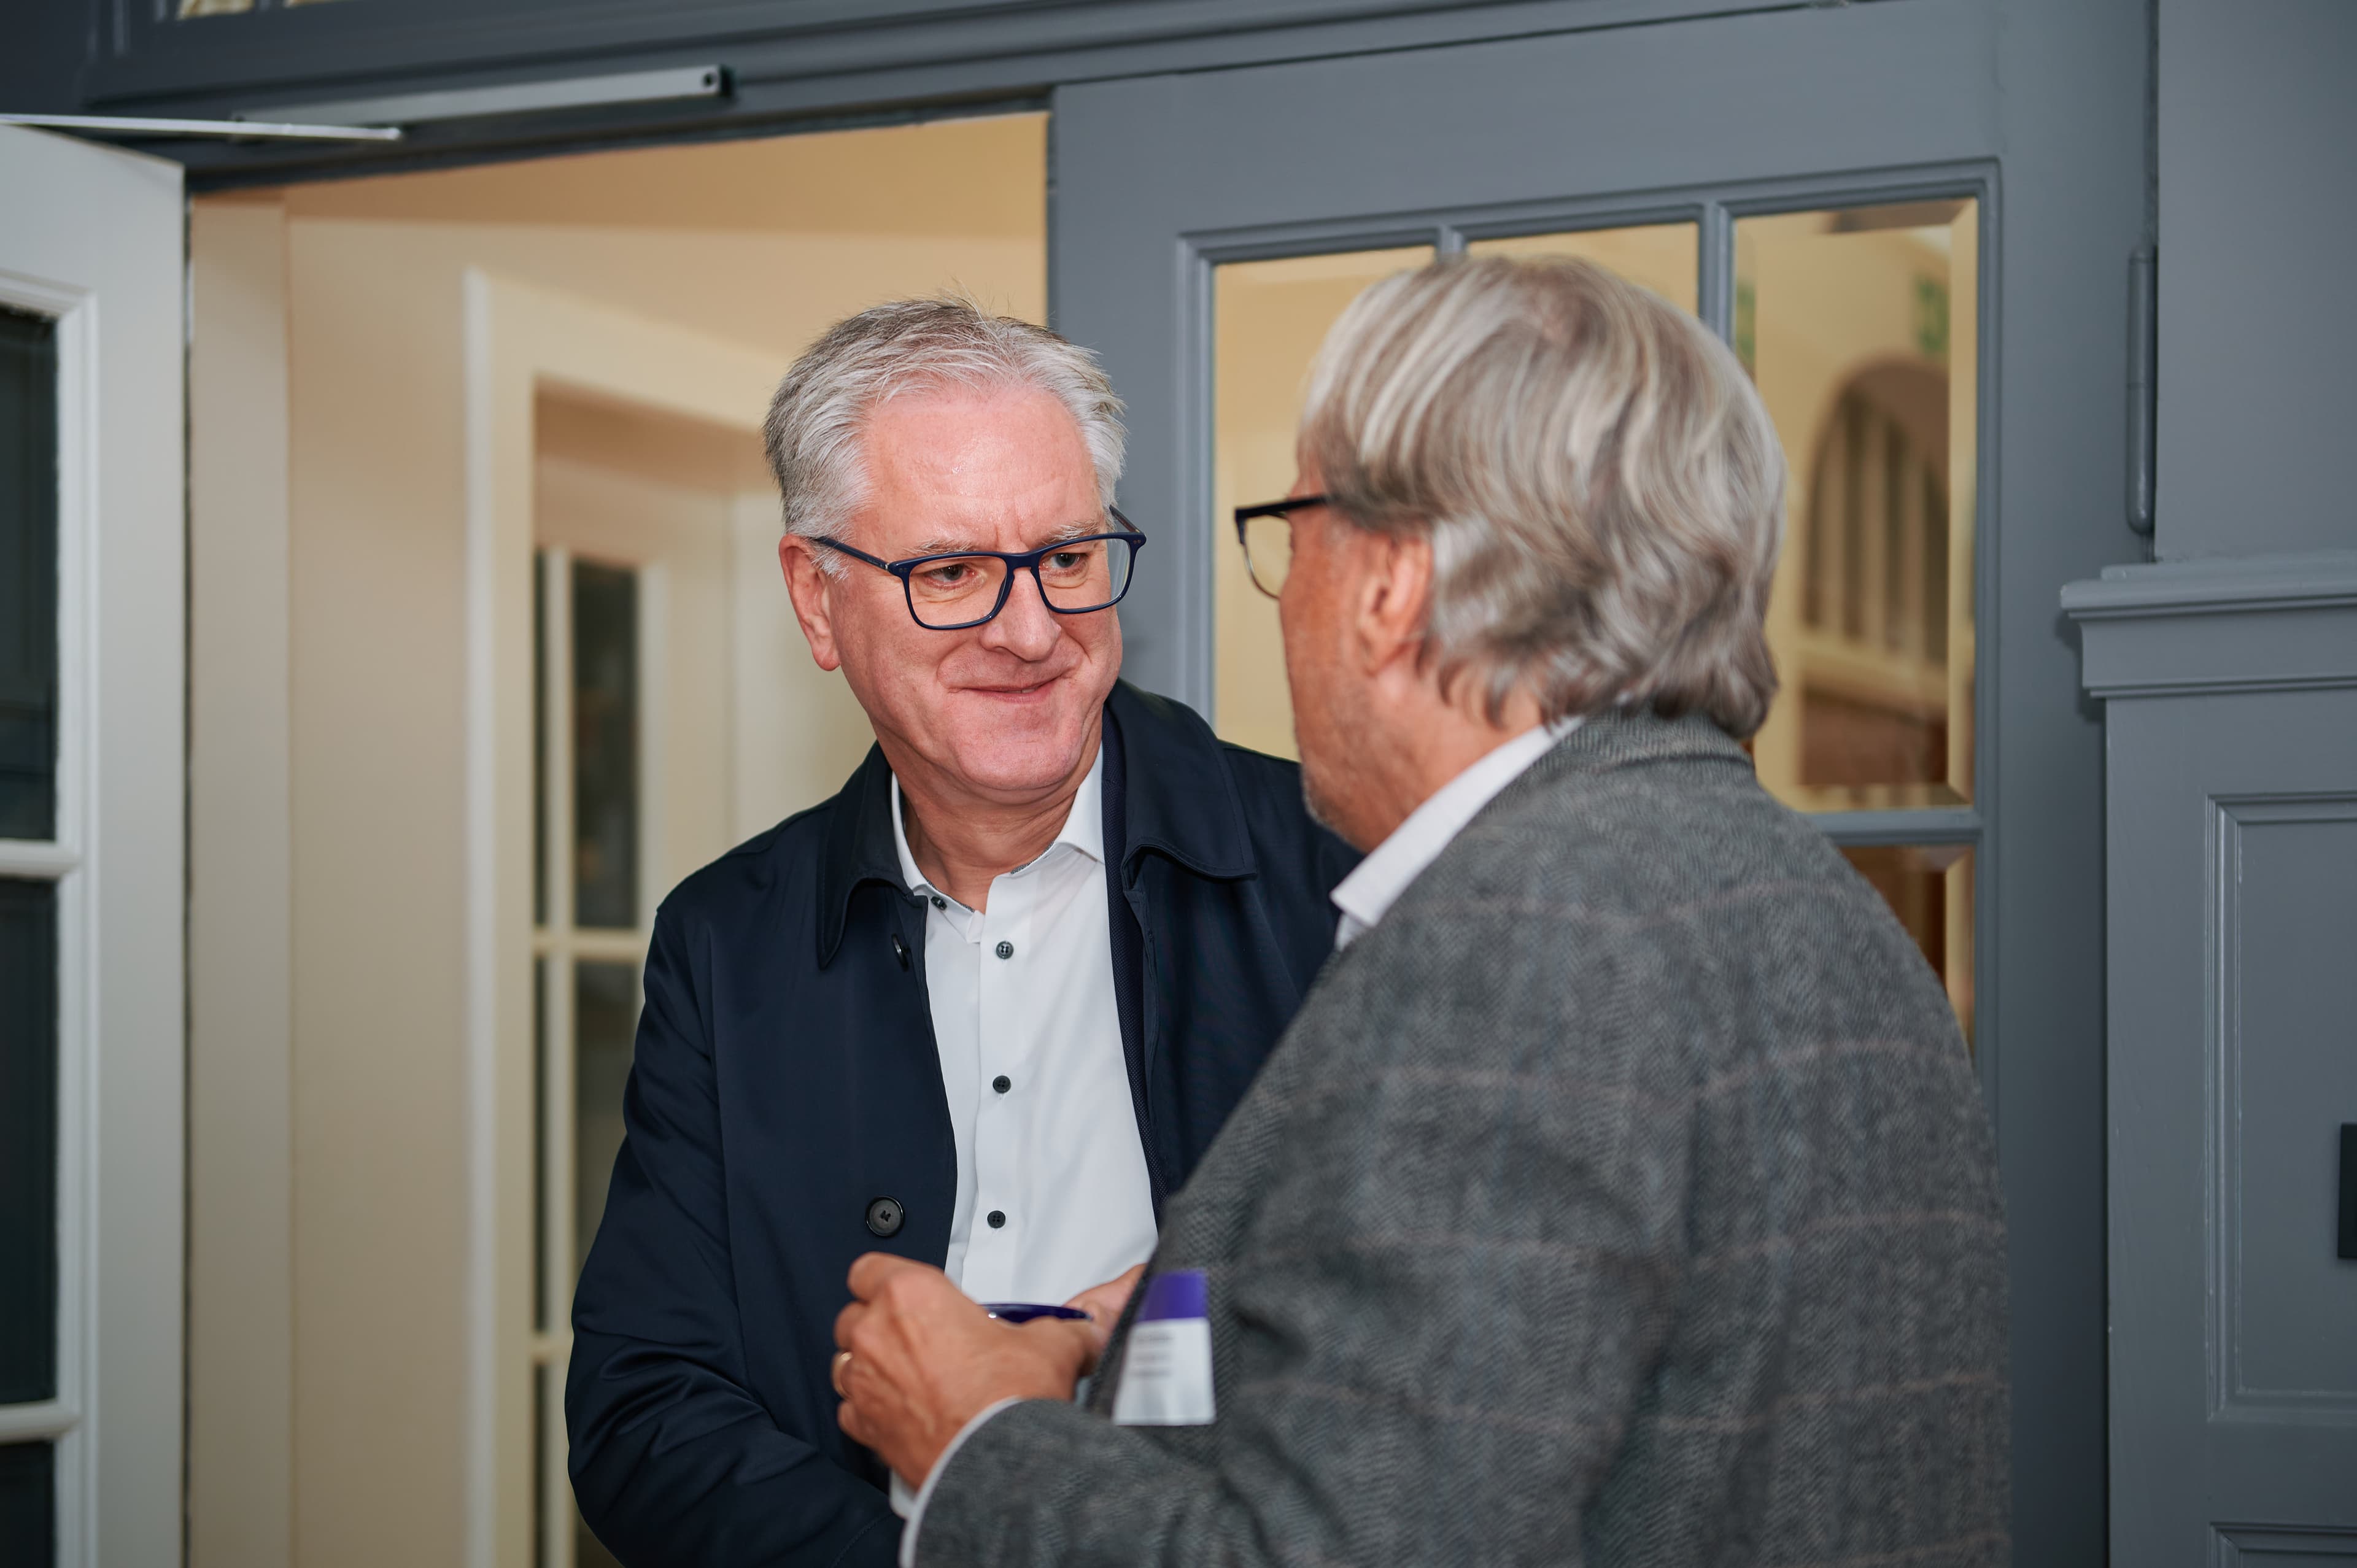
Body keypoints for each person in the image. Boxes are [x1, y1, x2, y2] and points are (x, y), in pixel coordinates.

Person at [831, 256, 2011, 1566]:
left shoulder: (1519, 947)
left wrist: (975, 1437)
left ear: (1390, 588)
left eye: (1296, 534)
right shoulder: (1831, 917)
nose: (1288, 603)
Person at [566, 298, 1357, 1568]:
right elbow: (643, 1409)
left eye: (1068, 557)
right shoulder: (727, 942)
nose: (1031, 630)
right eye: (950, 573)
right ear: (816, 601)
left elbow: (1433, 1339)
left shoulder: (1337, 880)